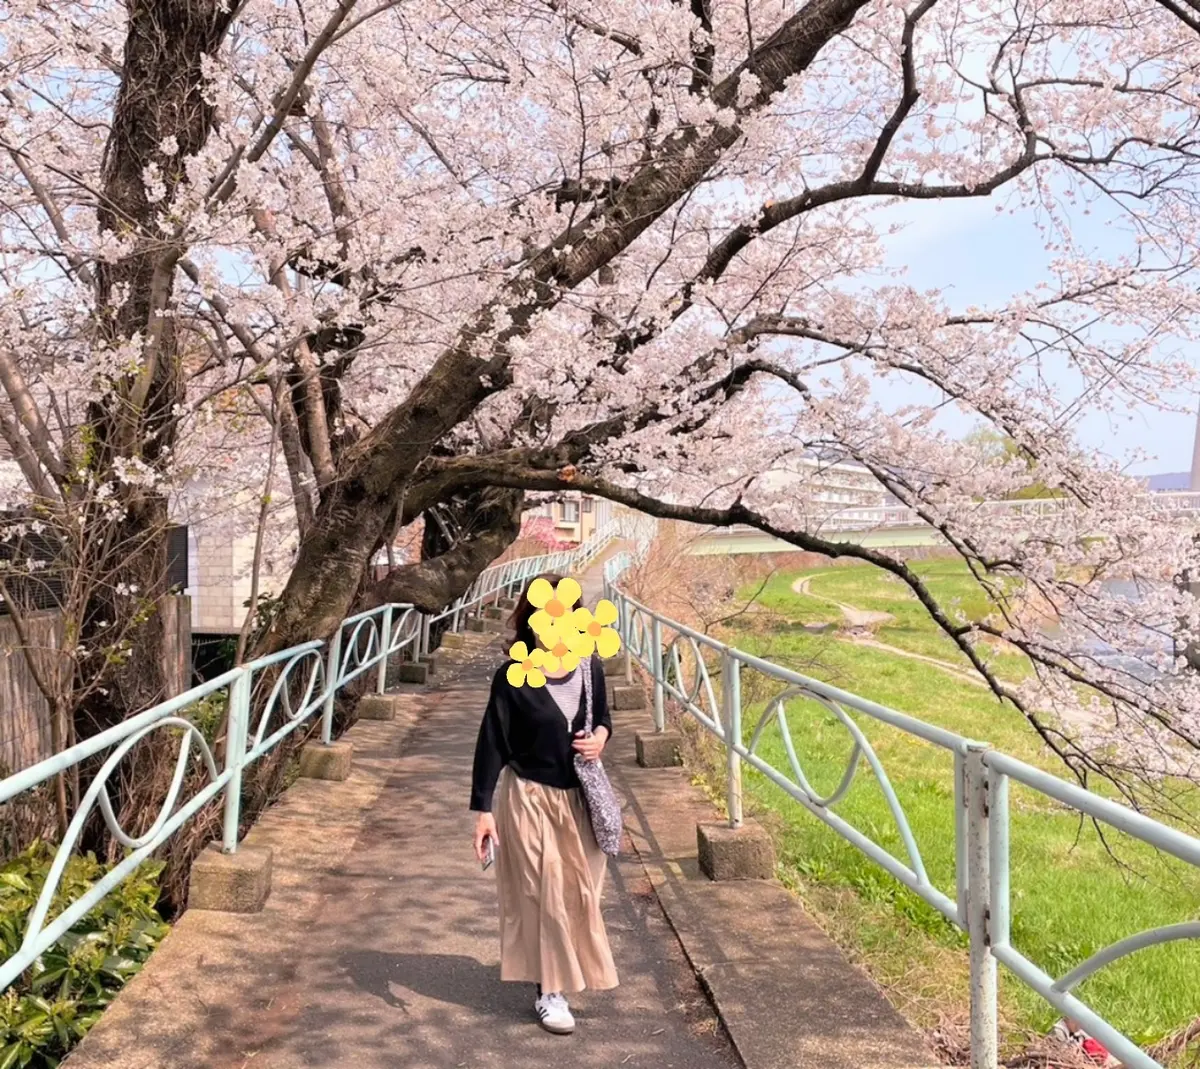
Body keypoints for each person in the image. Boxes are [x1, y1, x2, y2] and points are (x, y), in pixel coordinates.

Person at [469, 574, 619, 1035]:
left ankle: (560, 972)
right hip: (529, 798)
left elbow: (604, 722)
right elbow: (491, 742)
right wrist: (483, 811)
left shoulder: (589, 667)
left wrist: (599, 741)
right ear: (532, 621)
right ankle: (549, 991)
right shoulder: (512, 678)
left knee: (580, 895)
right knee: (545, 892)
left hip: (579, 803)